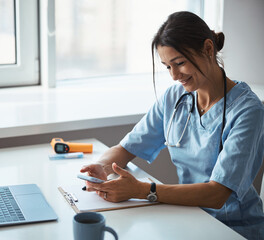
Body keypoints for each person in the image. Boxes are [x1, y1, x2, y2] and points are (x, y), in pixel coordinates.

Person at [80, 11, 264, 239]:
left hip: (233, 229)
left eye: (180, 63)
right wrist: (102, 168)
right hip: (189, 218)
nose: (175, 75)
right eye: (167, 66)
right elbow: (125, 149)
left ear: (208, 49)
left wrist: (142, 190)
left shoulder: (247, 111)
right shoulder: (174, 98)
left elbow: (217, 194)